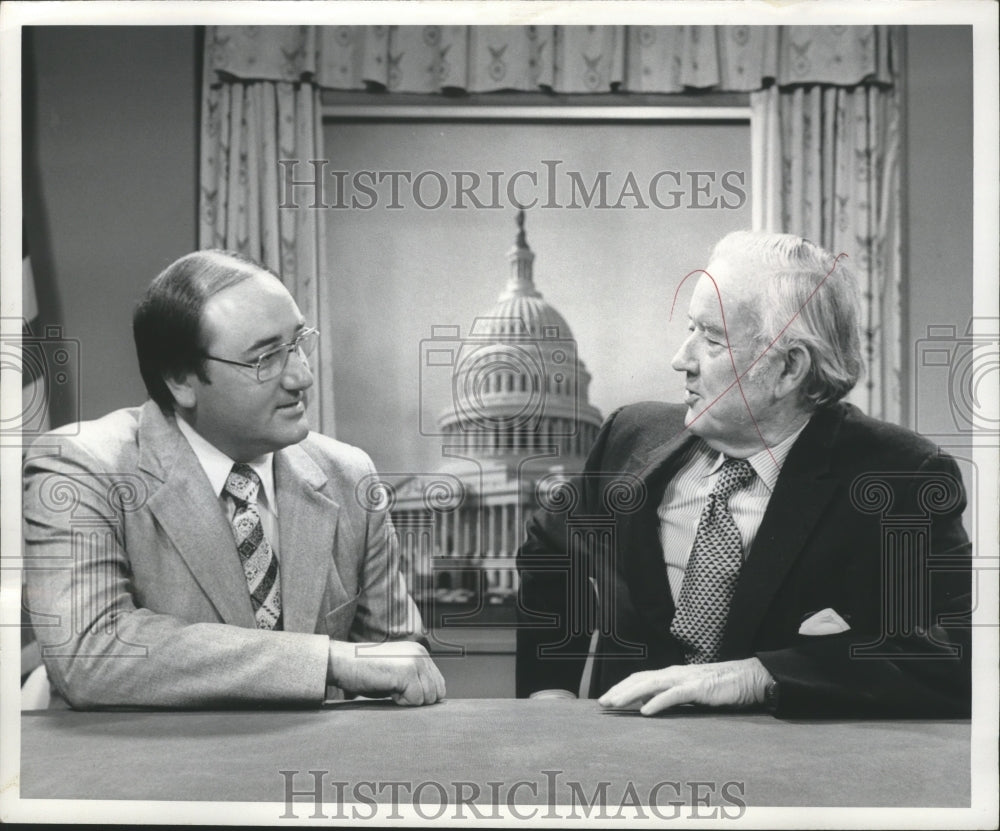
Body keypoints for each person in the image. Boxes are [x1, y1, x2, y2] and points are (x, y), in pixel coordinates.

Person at [516, 231, 971, 718]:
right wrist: (550, 690)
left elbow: (960, 657)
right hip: (630, 768)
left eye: (711, 338)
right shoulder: (629, 436)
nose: (681, 360)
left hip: (793, 780)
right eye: (691, 328)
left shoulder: (904, 477)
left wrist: (760, 674)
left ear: (789, 368)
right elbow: (551, 550)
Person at [23, 249, 445, 709]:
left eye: (298, 342)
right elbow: (90, 652)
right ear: (181, 379)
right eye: (266, 358)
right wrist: (325, 661)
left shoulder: (348, 475)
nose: (302, 376)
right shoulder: (79, 467)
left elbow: (400, 660)